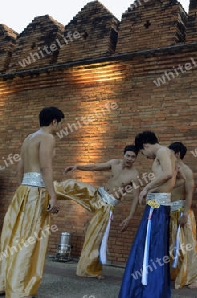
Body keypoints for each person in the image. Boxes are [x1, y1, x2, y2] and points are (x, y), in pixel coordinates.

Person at [0, 107, 64, 298]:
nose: (61, 126)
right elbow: (45, 168)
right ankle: (18, 287)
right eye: (61, 122)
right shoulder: (48, 138)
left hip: (23, 191)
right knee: (29, 238)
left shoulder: (29, 138)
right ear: (54, 121)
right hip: (36, 192)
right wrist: (52, 195)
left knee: (14, 236)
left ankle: (4, 281)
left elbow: (20, 168)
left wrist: (24, 188)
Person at [54, 145, 140, 279]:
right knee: (73, 185)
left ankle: (91, 270)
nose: (129, 159)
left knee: (94, 238)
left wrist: (129, 217)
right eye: (128, 155)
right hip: (98, 194)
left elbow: (136, 197)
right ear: (123, 155)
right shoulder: (114, 163)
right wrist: (77, 166)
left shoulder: (134, 175)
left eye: (133, 157)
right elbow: (95, 167)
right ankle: (45, 192)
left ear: (135, 159)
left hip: (107, 206)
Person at [119, 131, 177, 298]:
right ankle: (146, 289)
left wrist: (146, 188)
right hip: (156, 204)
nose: (145, 156)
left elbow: (167, 174)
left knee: (150, 248)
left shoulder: (162, 152)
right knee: (148, 246)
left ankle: (148, 291)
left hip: (158, 205)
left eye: (142, 153)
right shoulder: (167, 153)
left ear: (145, 145)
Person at [168, 142, 197, 289]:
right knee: (173, 246)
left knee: (188, 245)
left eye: (170, 153)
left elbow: (189, 194)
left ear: (177, 154)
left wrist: (184, 214)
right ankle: (177, 274)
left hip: (182, 212)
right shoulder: (169, 169)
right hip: (169, 212)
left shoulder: (187, 171)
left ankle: (195, 277)